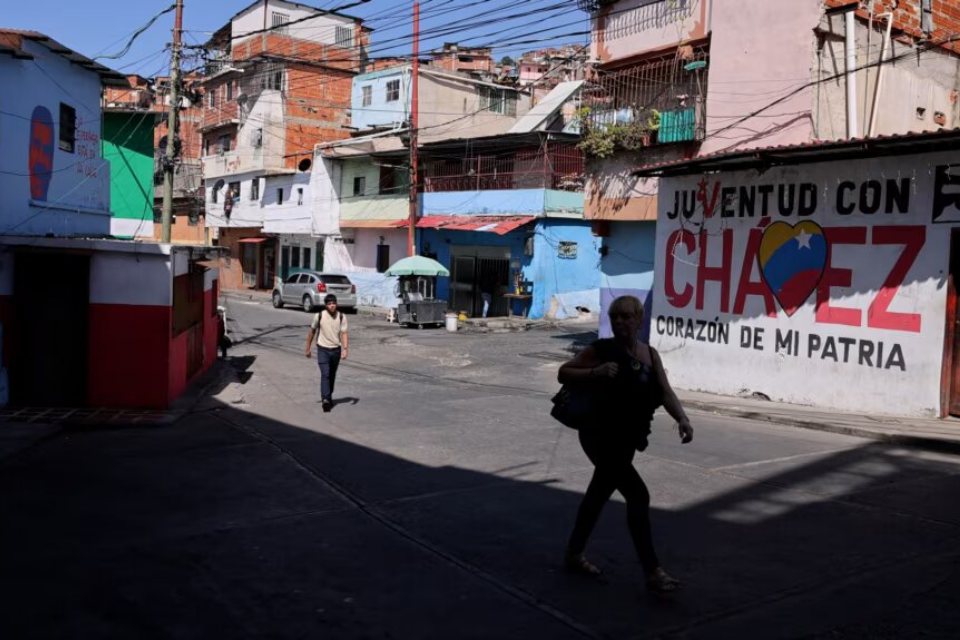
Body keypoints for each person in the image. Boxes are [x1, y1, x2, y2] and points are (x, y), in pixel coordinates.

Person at [557, 295, 694, 594]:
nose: (620, 322)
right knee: (638, 495)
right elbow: (564, 372)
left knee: (598, 494)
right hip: (598, 434)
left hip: (627, 439)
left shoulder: (650, 354)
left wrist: (682, 418)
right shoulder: (602, 349)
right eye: (615, 317)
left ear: (639, 320)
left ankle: (573, 554)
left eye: (626, 317)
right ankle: (652, 571)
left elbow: (665, 392)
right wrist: (596, 372)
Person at [304, 293, 349, 412]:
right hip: (322, 349)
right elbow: (312, 332)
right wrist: (307, 348)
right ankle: (325, 399)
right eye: (329, 304)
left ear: (336, 304)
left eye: (334, 303)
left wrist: (345, 349)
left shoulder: (341, 317)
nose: (332, 306)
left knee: (332, 375)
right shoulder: (319, 316)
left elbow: (344, 333)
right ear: (325, 306)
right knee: (326, 374)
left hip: (336, 350)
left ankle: (328, 395)